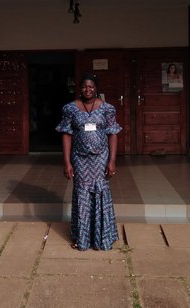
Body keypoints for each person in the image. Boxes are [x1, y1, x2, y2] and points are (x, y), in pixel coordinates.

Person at [56, 73, 121, 251]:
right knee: (82, 194)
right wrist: (67, 162)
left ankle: (102, 238)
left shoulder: (107, 108)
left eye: (91, 86)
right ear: (80, 88)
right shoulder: (70, 108)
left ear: (96, 88)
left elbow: (113, 133)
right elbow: (66, 134)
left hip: (101, 158)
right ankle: (83, 238)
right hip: (79, 158)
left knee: (100, 193)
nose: (88, 89)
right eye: (84, 86)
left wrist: (112, 160)